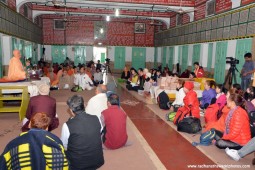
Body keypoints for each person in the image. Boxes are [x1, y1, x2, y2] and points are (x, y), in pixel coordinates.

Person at [0, 112, 68, 169]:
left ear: (29, 125)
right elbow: (62, 165)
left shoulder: (13, 143)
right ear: (47, 128)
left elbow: (3, 164)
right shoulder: (55, 141)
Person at [61, 95, 104, 170]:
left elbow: (64, 144)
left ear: (71, 110)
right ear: (84, 105)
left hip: (78, 165)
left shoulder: (67, 125)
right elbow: (99, 133)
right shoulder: (97, 118)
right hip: (97, 161)